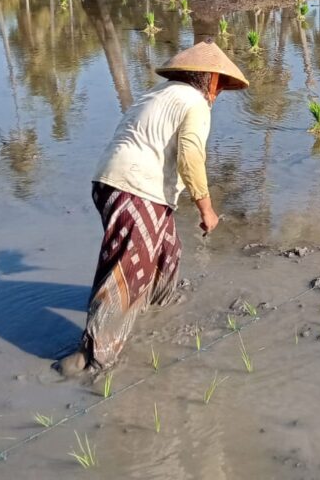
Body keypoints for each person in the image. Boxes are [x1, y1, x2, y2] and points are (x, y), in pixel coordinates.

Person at [55, 40, 248, 376]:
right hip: (135, 190)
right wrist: (206, 208)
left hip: (111, 183)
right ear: (210, 80)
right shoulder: (196, 102)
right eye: (220, 86)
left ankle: (156, 308)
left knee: (166, 252)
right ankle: (92, 357)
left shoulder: (159, 94)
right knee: (126, 270)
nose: (218, 95)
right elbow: (190, 156)